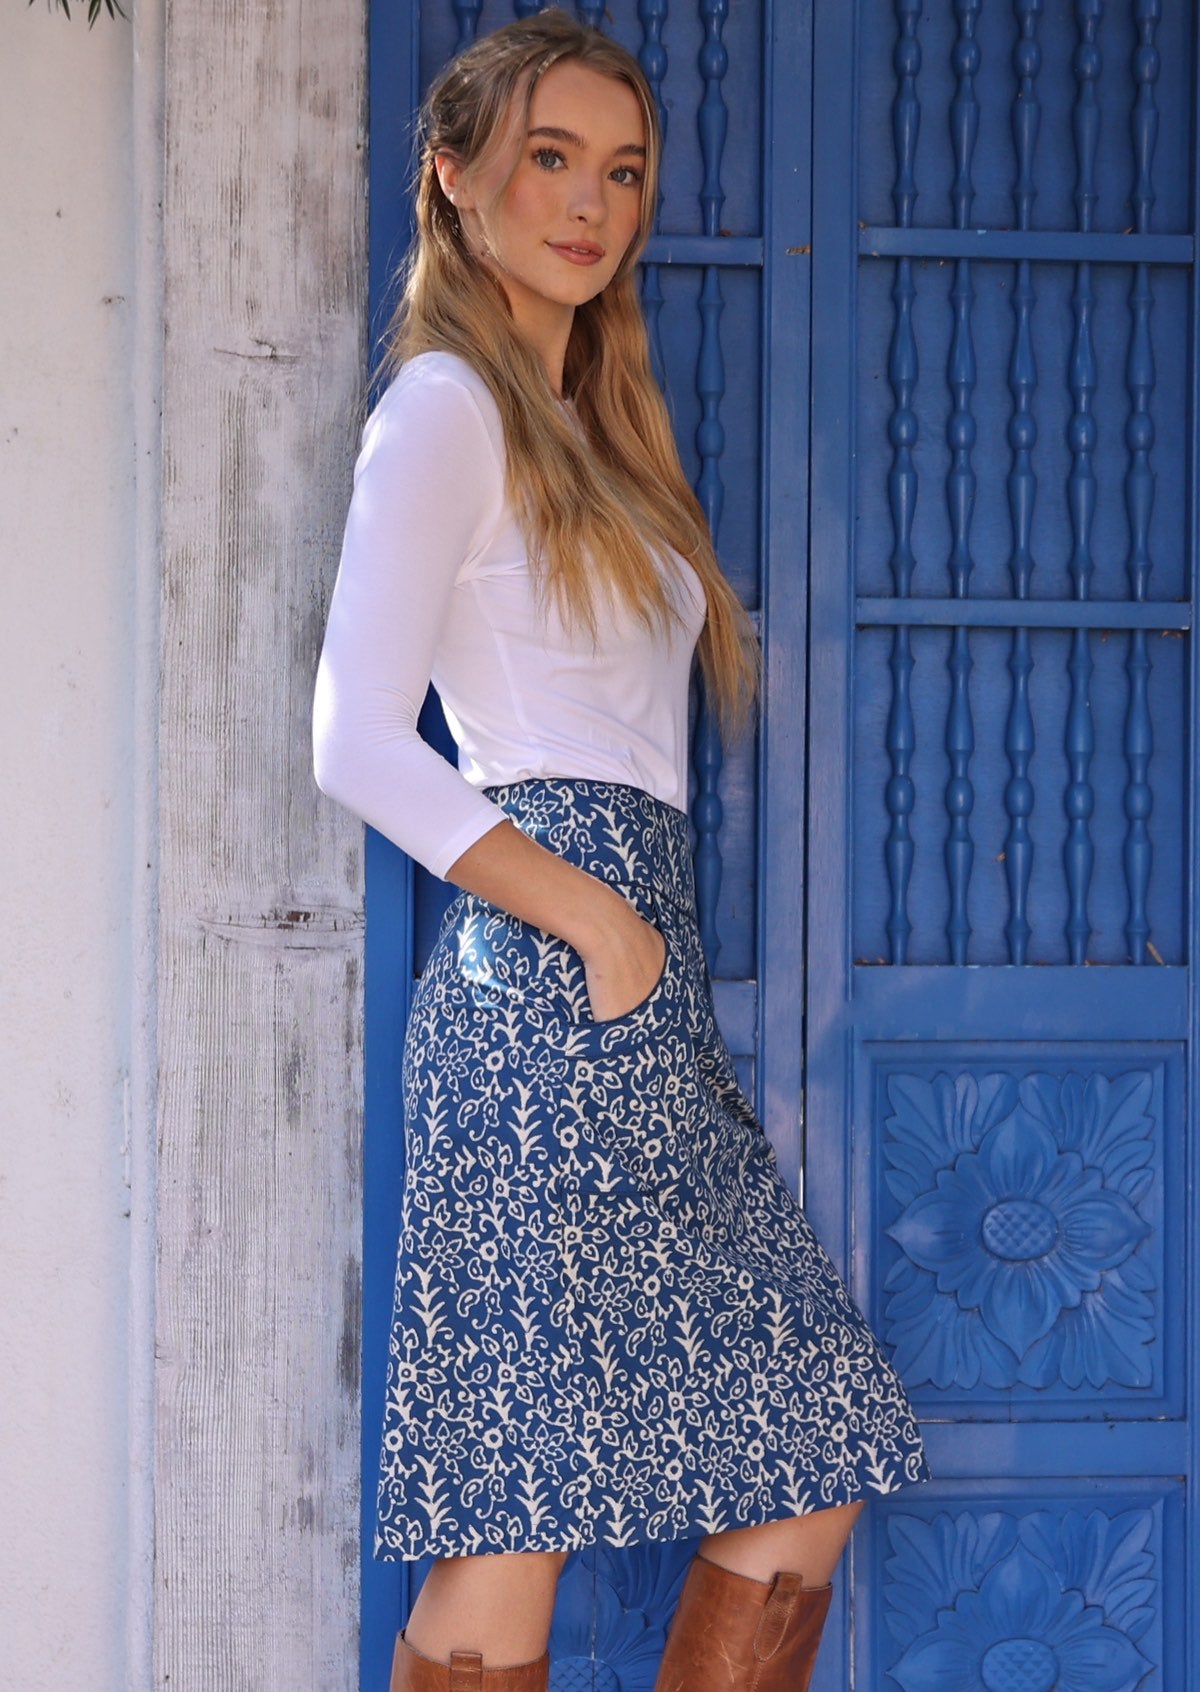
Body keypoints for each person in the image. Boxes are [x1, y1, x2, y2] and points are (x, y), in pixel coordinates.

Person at [312, 11, 929, 1691]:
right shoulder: (443, 405)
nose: (592, 202)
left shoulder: (597, 433)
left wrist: (627, 941)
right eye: (552, 159)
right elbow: (353, 738)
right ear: (457, 180)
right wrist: (591, 918)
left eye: (624, 170)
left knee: (807, 1441)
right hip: (549, 985)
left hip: (630, 991)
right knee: (515, 1526)